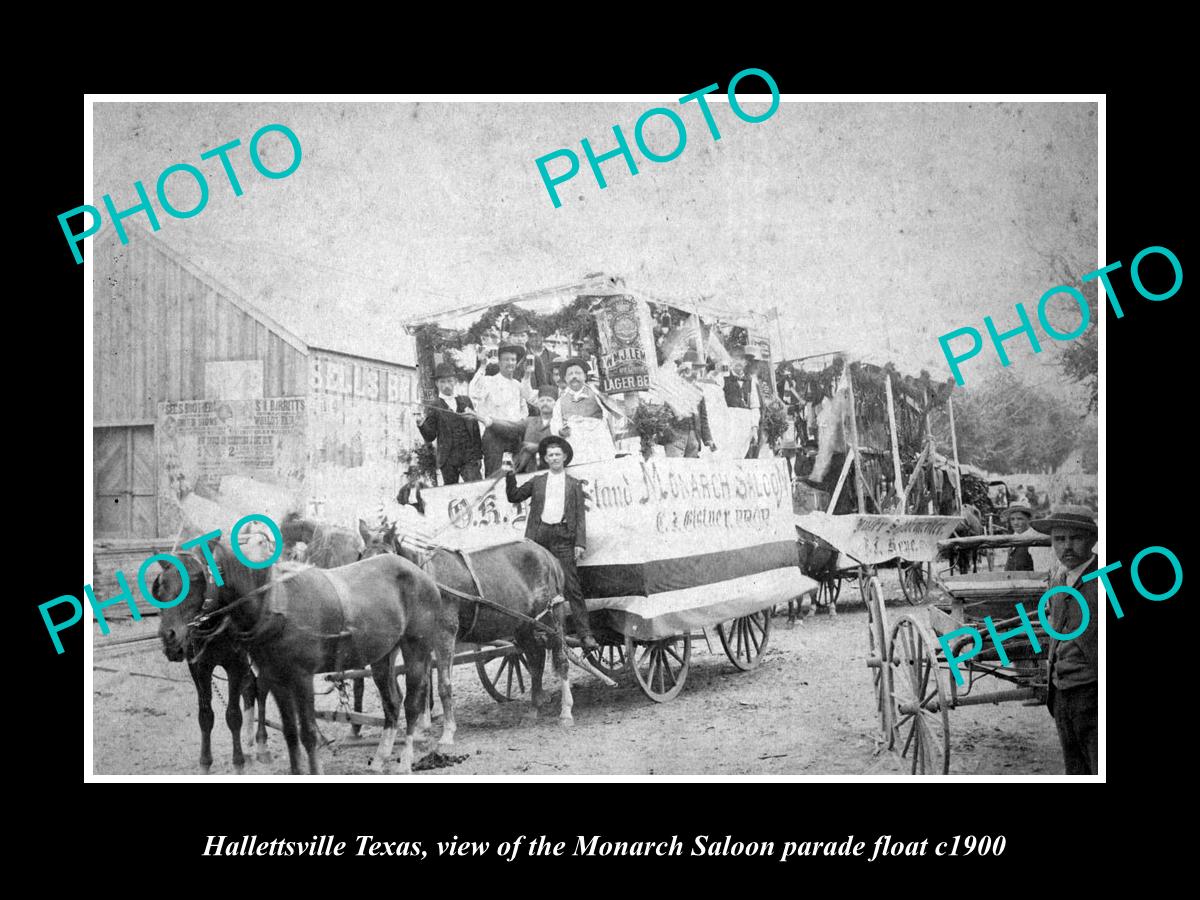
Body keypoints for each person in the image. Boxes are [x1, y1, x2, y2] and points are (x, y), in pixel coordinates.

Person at [503, 436, 596, 652]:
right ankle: (534, 630)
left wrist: (579, 543)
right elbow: (513, 496)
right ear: (545, 458)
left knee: (571, 586)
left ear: (564, 457)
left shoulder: (573, 485)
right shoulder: (538, 481)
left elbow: (580, 517)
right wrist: (509, 473)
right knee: (534, 585)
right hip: (539, 537)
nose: (554, 458)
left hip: (564, 537)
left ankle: (586, 635)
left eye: (557, 454)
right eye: (550, 455)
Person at [1030, 504, 1099, 775]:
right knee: (1074, 767)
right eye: (1059, 539)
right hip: (1060, 692)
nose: (1067, 546)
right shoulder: (1058, 579)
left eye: (1076, 538)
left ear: (1092, 541)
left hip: (1093, 693)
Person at [468, 344, 534, 475]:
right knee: (494, 476)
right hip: (495, 435)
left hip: (514, 435)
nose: (510, 363)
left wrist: (527, 375)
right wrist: (482, 365)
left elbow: (527, 402)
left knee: (515, 475)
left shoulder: (517, 385)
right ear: (499, 362)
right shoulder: (489, 381)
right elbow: (473, 392)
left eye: (513, 360)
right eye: (506, 359)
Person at [417, 362, 483, 484]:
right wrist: (421, 423)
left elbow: (475, 429)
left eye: (449, 381)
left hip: (469, 458)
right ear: (437, 383)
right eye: (442, 382)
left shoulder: (465, 401)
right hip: (448, 460)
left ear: (455, 381)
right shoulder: (435, 406)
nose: (446, 385)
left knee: (476, 489)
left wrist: (478, 455)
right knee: (452, 496)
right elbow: (430, 436)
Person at [551, 357, 618, 466]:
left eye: (578, 373)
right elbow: (555, 423)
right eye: (570, 374)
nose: (574, 377)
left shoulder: (597, 394)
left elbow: (611, 415)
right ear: (565, 379)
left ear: (585, 376)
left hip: (597, 444)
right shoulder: (560, 401)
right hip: (576, 447)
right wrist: (560, 431)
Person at [666, 351, 715, 458]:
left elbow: (703, 418)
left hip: (694, 437)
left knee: (691, 468)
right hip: (676, 437)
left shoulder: (699, 391)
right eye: (694, 369)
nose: (696, 373)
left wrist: (708, 439)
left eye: (697, 369)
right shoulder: (672, 388)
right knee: (675, 469)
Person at [517, 385, 559, 472]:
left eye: (549, 400)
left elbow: (563, 445)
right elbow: (511, 427)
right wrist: (491, 422)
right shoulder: (529, 421)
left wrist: (538, 447)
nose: (545, 403)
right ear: (538, 404)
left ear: (556, 403)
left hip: (553, 469)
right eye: (542, 400)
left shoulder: (560, 423)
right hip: (529, 471)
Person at [1003, 497, 1035, 571]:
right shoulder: (1013, 539)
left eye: (1020, 519)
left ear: (1029, 519)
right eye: (1012, 519)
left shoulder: (1034, 540)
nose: (1015, 523)